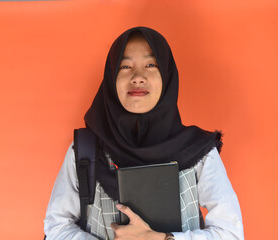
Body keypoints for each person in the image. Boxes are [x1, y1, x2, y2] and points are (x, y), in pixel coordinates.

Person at [44, 27, 244, 240]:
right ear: (112, 78)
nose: (138, 77)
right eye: (125, 66)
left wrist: (163, 239)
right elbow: (57, 226)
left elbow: (230, 233)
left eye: (150, 65)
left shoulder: (197, 150)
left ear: (166, 76)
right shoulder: (85, 150)